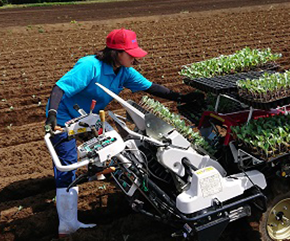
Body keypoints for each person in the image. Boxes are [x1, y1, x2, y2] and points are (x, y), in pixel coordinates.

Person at [45, 28, 204, 237]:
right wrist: (53, 114)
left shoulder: (124, 71)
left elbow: (151, 87)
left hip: (89, 115)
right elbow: (60, 88)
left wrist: (182, 98)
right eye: (130, 53)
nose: (134, 57)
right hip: (64, 117)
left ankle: (99, 171)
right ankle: (67, 225)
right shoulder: (89, 66)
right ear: (115, 52)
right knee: (67, 165)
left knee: (114, 146)